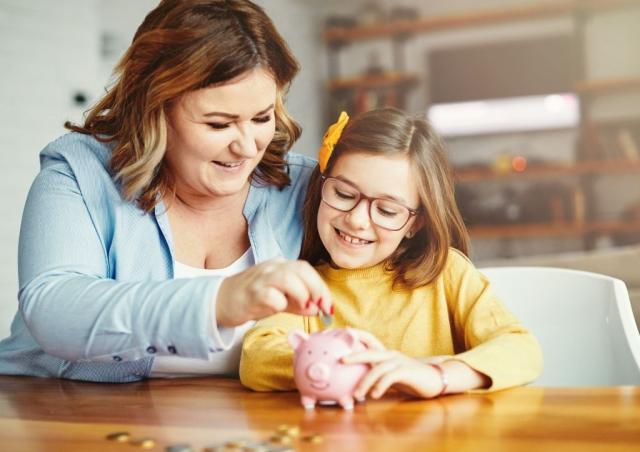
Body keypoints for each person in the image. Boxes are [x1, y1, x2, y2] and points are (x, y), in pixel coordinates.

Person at [0, 0, 332, 382]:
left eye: (261, 117)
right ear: (155, 110)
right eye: (219, 124)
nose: (247, 146)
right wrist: (217, 302)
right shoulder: (79, 172)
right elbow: (53, 310)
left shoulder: (303, 187)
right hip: (56, 413)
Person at [240, 108, 542, 399]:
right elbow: (257, 358)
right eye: (343, 194)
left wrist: (438, 375)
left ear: (415, 222)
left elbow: (520, 348)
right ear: (321, 187)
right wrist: (355, 366)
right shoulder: (304, 285)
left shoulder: (447, 274)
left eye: (386, 210)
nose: (357, 220)